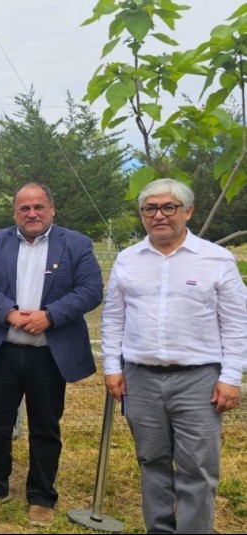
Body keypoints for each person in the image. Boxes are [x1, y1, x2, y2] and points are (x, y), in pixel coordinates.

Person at [101, 178, 247, 534]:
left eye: (169, 207)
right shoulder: (127, 260)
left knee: (197, 468)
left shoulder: (216, 259)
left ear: (188, 211)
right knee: (151, 461)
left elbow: (237, 322)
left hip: (198, 380)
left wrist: (231, 377)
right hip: (140, 378)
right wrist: (111, 367)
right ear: (142, 215)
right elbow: (113, 317)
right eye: (150, 209)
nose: (159, 216)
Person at [0, 183, 103, 528]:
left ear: (52, 209)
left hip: (48, 356)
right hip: (2, 351)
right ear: (15, 213)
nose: (32, 214)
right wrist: (8, 312)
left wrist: (50, 315)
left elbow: (91, 290)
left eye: (39, 207)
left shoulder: (76, 244)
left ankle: (41, 497)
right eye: (24, 208)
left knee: (45, 426)